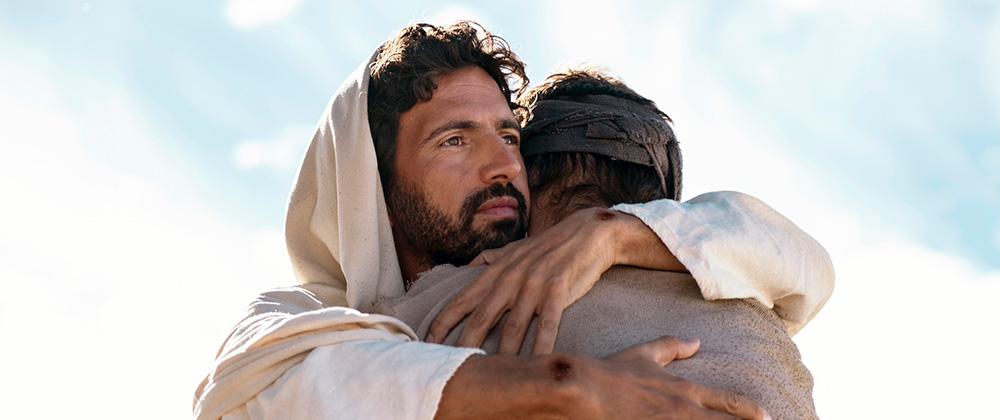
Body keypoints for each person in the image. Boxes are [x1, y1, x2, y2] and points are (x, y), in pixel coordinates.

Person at [193, 21, 833, 420]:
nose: (504, 165)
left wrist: (611, 231)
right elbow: (276, 390)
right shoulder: (302, 317)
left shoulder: (583, 257)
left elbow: (795, 261)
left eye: (509, 136)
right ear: (373, 185)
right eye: (455, 140)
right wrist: (571, 388)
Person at [373, 68, 820, 420]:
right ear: (664, 201)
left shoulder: (439, 308)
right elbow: (807, 265)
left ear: (527, 180)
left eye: (509, 141)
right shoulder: (744, 293)